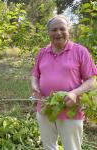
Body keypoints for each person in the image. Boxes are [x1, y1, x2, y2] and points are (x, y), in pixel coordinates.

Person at [31, 15, 97, 150]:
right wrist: (34, 86)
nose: (58, 33)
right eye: (54, 29)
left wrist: (74, 93)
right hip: (45, 108)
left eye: (62, 29)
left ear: (69, 30)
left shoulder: (80, 51)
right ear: (48, 32)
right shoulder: (42, 53)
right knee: (48, 147)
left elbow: (92, 80)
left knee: (71, 147)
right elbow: (35, 75)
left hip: (70, 110)